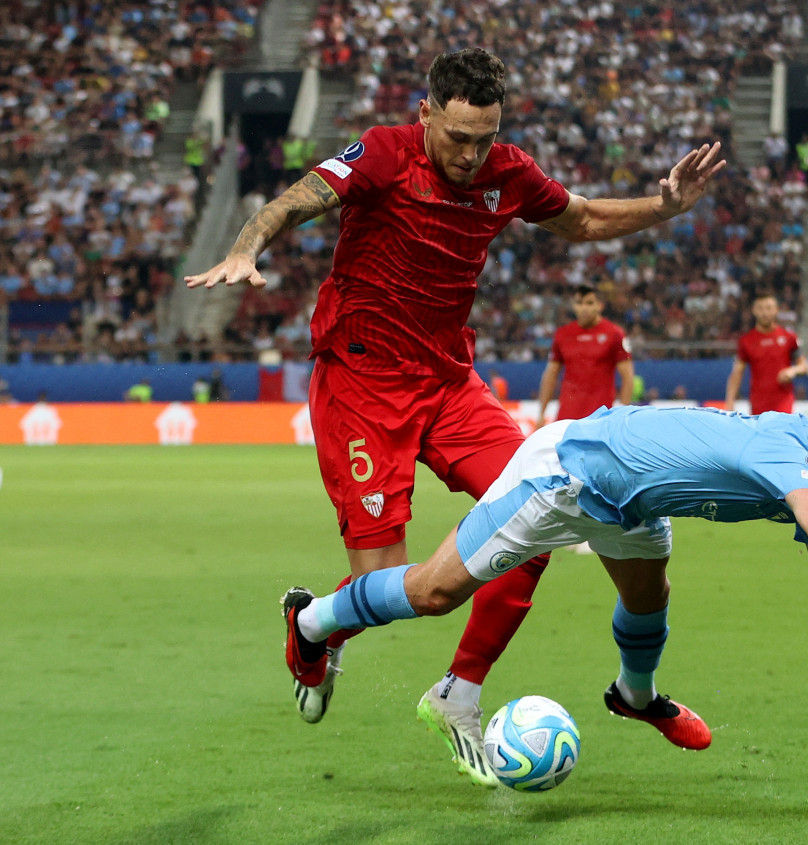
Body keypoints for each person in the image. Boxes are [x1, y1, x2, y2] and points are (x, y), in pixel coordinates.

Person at [184, 48, 725, 786]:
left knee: (536, 515)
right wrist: (245, 249)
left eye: (485, 137)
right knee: (385, 581)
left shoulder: (508, 171)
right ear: (427, 114)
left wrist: (664, 206)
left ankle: (458, 694)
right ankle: (312, 624)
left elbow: (585, 220)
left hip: (448, 382)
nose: (471, 155)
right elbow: (292, 202)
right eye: (458, 137)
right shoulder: (382, 153)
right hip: (362, 382)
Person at [282, 408, 808, 765]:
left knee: (650, 596)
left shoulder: (802, 461)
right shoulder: (787, 458)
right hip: (568, 475)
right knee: (436, 591)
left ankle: (633, 696)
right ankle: (313, 621)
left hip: (633, 504)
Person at [536, 283, 634, 426]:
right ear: (574, 306)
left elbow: (628, 377)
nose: (584, 308)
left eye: (589, 303)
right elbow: (550, 375)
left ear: (599, 306)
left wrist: (622, 414)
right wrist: (541, 413)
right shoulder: (562, 335)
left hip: (600, 421)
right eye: (579, 303)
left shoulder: (614, 334)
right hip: (566, 420)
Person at [724, 292, 808, 414]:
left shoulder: (789, 338)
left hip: (783, 405)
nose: (765, 313)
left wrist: (792, 371)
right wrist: (730, 401)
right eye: (760, 308)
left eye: (769, 308)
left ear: (776, 310)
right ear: (754, 310)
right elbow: (737, 373)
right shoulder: (746, 341)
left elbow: (804, 366)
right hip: (758, 406)